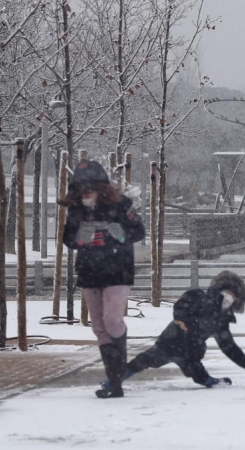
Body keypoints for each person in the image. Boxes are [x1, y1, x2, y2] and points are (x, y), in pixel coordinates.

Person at [62, 159, 146, 398]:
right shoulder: (77, 209)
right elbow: (68, 239)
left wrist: (120, 235)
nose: (86, 194)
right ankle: (115, 381)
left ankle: (118, 371)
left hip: (118, 270)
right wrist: (80, 237)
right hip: (89, 271)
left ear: (101, 187)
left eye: (91, 188)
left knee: (112, 320)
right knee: (99, 327)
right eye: (81, 189)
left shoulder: (121, 205)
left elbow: (138, 231)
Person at [105, 270, 245, 389]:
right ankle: (113, 381)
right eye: (227, 293)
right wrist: (181, 319)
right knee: (141, 361)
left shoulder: (222, 321)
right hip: (170, 342)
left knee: (200, 376)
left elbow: (229, 346)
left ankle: (212, 382)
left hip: (191, 353)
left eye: (233, 296)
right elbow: (182, 305)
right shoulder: (199, 296)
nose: (228, 298)